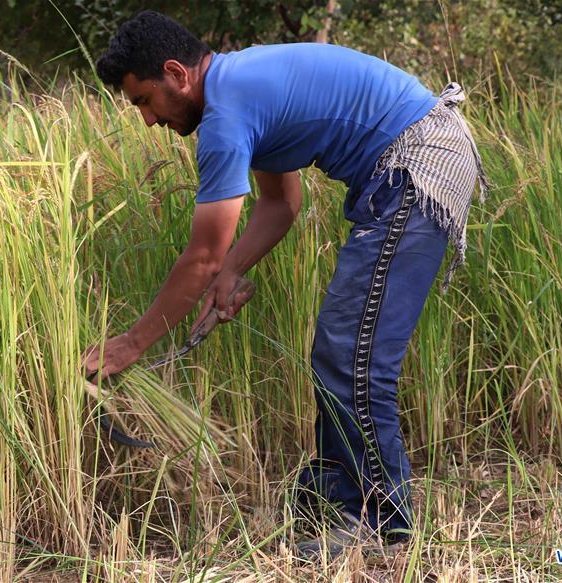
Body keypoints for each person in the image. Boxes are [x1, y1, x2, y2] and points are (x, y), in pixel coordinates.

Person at [83, 10, 488, 558]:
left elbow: (202, 254)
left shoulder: (226, 116)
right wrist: (231, 273)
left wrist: (132, 344)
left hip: (415, 165)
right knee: (340, 349)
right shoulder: (240, 87)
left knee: (352, 355)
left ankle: (379, 525)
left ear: (176, 74)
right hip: (417, 156)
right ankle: (334, 499)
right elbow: (280, 203)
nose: (149, 120)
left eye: (144, 101)